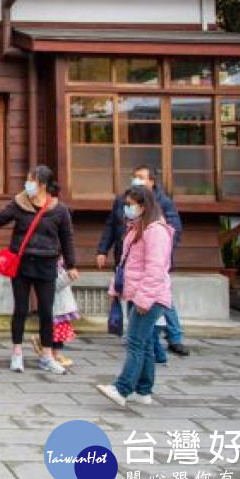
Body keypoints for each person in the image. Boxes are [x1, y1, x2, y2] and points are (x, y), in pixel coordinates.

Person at [0, 165, 77, 375]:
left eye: (32, 181)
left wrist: (71, 265)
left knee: (47, 312)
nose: (27, 184)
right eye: (28, 180)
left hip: (47, 264)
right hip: (22, 263)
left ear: (43, 185)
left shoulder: (60, 210)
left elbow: (67, 238)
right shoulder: (19, 204)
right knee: (20, 309)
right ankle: (17, 353)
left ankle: (47, 356)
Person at [97, 165, 189, 360]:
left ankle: (174, 337)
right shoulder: (123, 201)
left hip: (152, 262)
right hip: (127, 259)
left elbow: (174, 230)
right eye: (134, 176)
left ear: (152, 181)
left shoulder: (162, 202)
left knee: (161, 298)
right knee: (134, 299)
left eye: (141, 177)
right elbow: (111, 226)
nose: (136, 180)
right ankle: (141, 337)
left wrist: (160, 253)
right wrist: (102, 250)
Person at [98, 185, 174, 407]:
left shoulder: (156, 231)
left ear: (143, 206)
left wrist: (143, 299)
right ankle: (143, 390)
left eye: (130, 205)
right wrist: (117, 288)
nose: (126, 209)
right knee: (147, 343)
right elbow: (126, 263)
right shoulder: (137, 228)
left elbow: (155, 269)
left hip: (149, 297)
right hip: (138, 293)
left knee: (135, 342)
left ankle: (122, 389)